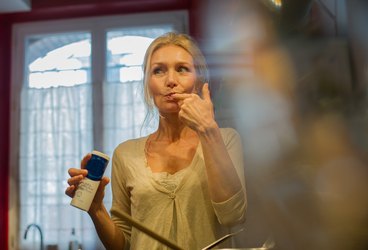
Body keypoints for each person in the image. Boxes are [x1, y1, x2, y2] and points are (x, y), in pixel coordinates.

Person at [65, 32, 247, 250]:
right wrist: (96, 210)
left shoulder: (225, 139)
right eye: (158, 70)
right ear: (148, 86)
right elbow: (123, 245)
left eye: (182, 69)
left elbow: (233, 216)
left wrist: (208, 130)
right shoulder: (125, 154)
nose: (170, 81)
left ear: (199, 81)